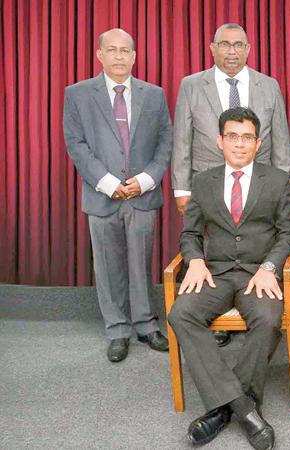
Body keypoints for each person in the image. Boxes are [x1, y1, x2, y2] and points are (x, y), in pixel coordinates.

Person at [168, 107, 290, 450]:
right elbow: (190, 233)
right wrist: (195, 261)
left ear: (258, 143)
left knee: (269, 318)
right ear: (219, 141)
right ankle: (243, 407)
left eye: (247, 138)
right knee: (181, 313)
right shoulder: (204, 181)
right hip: (216, 273)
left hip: (259, 274)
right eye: (232, 136)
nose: (239, 144)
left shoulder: (275, 180)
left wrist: (270, 266)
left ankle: (221, 410)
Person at [172, 23, 290, 347]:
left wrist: (284, 181)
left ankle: (252, 307)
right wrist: (182, 188)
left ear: (249, 49)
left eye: (239, 45)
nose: (232, 51)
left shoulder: (268, 85)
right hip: (207, 182)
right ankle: (219, 313)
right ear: (212, 48)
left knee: (253, 243)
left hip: (260, 183)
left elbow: (280, 138)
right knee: (216, 249)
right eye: (224, 44)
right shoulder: (193, 85)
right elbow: (182, 137)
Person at [63, 28, 172, 362]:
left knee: (141, 263)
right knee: (109, 266)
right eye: (112, 50)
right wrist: (109, 183)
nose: (119, 56)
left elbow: (165, 142)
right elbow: (76, 144)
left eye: (126, 51)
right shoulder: (78, 94)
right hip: (103, 195)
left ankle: (145, 324)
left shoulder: (154, 95)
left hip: (142, 193)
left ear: (135, 56)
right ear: (99, 55)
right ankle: (117, 329)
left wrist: (147, 179)